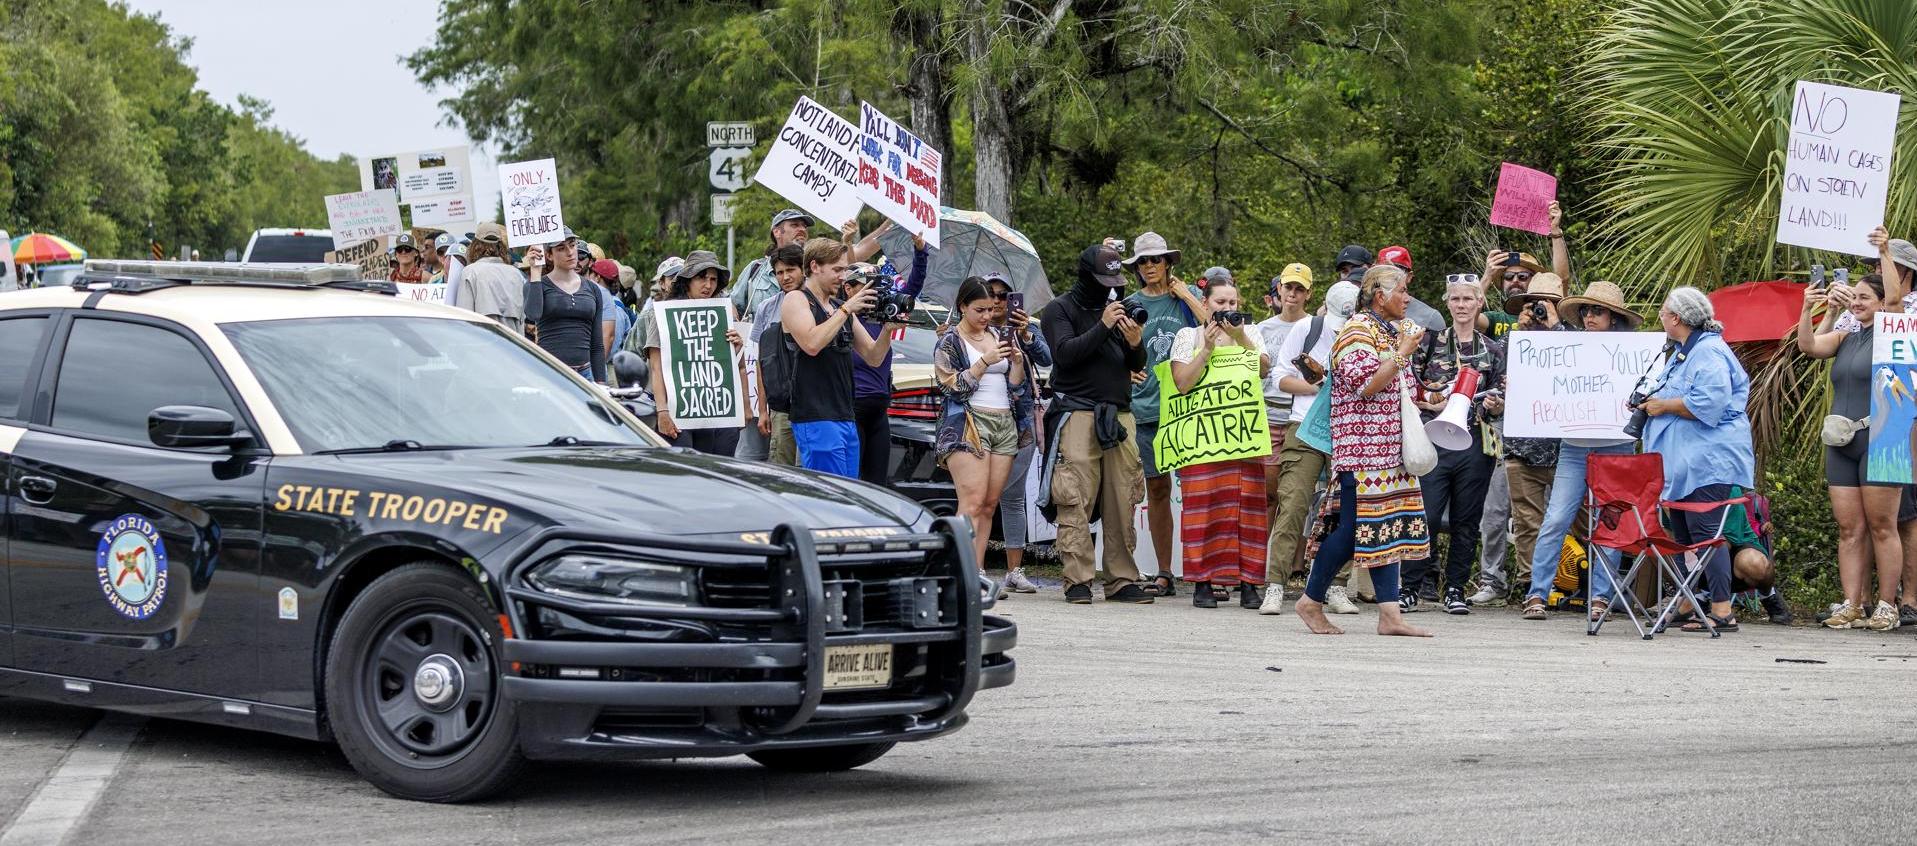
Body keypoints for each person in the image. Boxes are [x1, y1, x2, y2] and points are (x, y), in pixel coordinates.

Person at [1293, 264, 1432, 637]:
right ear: (1380, 296)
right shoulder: (1357, 331)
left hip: (1389, 452)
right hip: (1363, 452)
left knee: (1384, 529)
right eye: (1401, 291)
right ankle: (1311, 601)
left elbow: (1402, 387)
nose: (1407, 298)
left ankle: (1390, 615)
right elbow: (1366, 385)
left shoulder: (1386, 331)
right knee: (1354, 529)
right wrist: (1403, 352)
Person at [1037, 243, 1154, 605]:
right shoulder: (1059, 309)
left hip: (1119, 415)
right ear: (1086, 276)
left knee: (1123, 499)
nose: (1110, 288)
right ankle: (1078, 579)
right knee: (1075, 497)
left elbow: (1135, 364)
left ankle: (1121, 579)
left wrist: (1135, 343)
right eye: (1104, 281)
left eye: (1115, 282)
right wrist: (1103, 325)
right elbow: (1064, 355)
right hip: (1078, 412)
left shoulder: (1118, 309)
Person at [1520, 279, 1642, 621]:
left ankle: (1601, 596)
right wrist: (1523, 388)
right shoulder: (1568, 346)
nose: (1589, 316)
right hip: (1574, 446)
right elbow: (1542, 381)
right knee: (1556, 517)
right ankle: (1537, 592)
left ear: (1613, 318)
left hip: (1617, 447)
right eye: (1586, 310)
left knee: (1610, 522)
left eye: (1598, 311)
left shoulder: (1634, 354)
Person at [1639, 287, 1756, 633]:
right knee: (1684, 534)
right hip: (1683, 462)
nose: (1660, 317)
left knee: (1706, 533)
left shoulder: (1709, 352)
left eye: (1663, 312)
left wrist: (1663, 406)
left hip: (1708, 461)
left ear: (1676, 318)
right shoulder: (1683, 352)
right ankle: (1690, 599)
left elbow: (1710, 403)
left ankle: (1722, 610)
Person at [1797, 274, 1905, 630]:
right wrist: (1812, 308)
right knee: (1849, 529)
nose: (1856, 302)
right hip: (1842, 440)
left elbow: (1895, 301)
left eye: (1864, 297)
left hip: (1883, 439)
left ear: (1881, 303)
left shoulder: (1892, 336)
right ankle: (1852, 603)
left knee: (1883, 526)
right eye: (1853, 296)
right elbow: (1808, 346)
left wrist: (1884, 251)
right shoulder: (1846, 336)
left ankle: (1887, 605)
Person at [1261, 279, 1371, 615]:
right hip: (1305, 425)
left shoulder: (1367, 333)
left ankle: (1336, 586)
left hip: (1347, 427)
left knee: (1345, 509)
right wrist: (1317, 386)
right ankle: (1275, 584)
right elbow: (1280, 378)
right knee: (1292, 502)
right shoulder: (1308, 328)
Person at [1401, 274, 1504, 615]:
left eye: (1468, 299)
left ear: (1479, 303)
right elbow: (1410, 389)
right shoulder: (1429, 342)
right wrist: (1434, 402)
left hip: (1474, 441)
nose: (1462, 305)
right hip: (1434, 440)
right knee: (1426, 515)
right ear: (1447, 303)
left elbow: (1502, 400)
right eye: (1456, 299)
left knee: (1466, 520)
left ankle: (1456, 589)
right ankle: (1410, 587)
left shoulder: (1492, 349)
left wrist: (1494, 405)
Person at [1168, 280, 1271, 608]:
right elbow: (1182, 383)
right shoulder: (1187, 336)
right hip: (1202, 439)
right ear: (1205, 303)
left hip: (1243, 436)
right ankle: (1202, 582)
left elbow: (1264, 370)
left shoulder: (1250, 332)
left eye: (1232, 302)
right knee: (1203, 509)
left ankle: (1249, 582)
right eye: (1220, 302)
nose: (1227, 309)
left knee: (1248, 511)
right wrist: (1207, 350)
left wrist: (1240, 338)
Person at [1122, 231, 1204, 597]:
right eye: (1142, 261)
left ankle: (1202, 572)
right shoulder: (1130, 304)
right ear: (1136, 268)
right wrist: (1125, 370)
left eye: (1156, 259)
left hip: (1187, 406)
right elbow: (1117, 349)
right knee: (1157, 488)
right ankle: (1165, 571)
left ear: (1168, 262)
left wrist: (1186, 294)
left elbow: (1217, 328)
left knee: (1197, 490)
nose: (1149, 266)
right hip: (1145, 406)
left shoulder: (1187, 298)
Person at [933, 278, 1032, 566]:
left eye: (990, 309)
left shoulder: (998, 334)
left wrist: (1017, 363)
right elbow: (952, 387)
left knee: (989, 505)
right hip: (968, 423)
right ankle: (961, 571)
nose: (987, 315)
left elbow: (1015, 387)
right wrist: (984, 361)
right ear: (962, 306)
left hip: (1004, 422)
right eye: (980, 310)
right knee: (972, 503)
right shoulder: (949, 341)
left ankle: (977, 571)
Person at [1482, 271, 1565, 609]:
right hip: (1521, 446)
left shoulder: (1573, 337)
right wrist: (1496, 405)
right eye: (1533, 304)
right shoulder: (1511, 341)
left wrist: (1554, 325)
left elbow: (1580, 365)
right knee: (1527, 523)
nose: (1539, 310)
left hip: (1565, 450)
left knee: (1567, 521)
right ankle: (1533, 589)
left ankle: (1571, 584)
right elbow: (1494, 386)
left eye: (1546, 304)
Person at [781, 238, 891, 477]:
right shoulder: (797, 299)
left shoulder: (840, 306)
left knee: (848, 491)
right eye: (837, 270)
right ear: (815, 266)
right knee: (830, 492)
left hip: (846, 414)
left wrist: (888, 329)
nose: (843, 277)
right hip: (815, 415)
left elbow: (874, 357)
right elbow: (811, 344)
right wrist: (846, 310)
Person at [983, 273, 1052, 596]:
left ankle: (1014, 571)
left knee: (1012, 497)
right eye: (991, 294)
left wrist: (1025, 335)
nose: (997, 301)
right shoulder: (972, 330)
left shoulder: (1025, 328)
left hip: (1021, 422)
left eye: (1003, 295)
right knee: (982, 498)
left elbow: (1047, 358)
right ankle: (976, 569)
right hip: (982, 420)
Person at [640, 251, 742, 456]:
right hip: (677, 412)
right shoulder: (663, 313)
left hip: (714, 412)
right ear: (687, 280)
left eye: (713, 279)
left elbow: (728, 365)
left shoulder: (720, 314)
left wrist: (736, 346)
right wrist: (662, 411)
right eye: (701, 277)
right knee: (684, 468)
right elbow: (656, 367)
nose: (708, 285)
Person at [851, 235, 928, 483]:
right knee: (851, 481)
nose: (873, 290)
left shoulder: (883, 312)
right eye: (866, 285)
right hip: (852, 407)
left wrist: (920, 251)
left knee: (877, 483)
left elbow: (912, 289)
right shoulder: (842, 316)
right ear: (849, 289)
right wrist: (848, 241)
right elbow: (844, 271)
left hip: (880, 408)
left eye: (876, 285)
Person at [1257, 264, 1312, 568]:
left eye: (1299, 289)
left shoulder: (1315, 327)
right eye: (1288, 287)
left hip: (1300, 416)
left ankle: (1291, 565)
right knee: (1268, 494)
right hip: (1267, 415)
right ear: (1278, 290)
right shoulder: (1262, 329)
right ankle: (1259, 564)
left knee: (1295, 496)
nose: (1292, 294)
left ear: (1308, 293)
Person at [523, 230, 608, 383]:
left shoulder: (593, 289)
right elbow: (533, 314)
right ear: (549, 255)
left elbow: (597, 344)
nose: (569, 252)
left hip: (585, 374)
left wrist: (601, 383)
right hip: (550, 372)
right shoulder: (538, 285)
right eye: (561, 248)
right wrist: (535, 272)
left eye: (572, 245)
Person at [751, 245, 807, 466]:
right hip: (781, 407)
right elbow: (762, 363)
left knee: (810, 472)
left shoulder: (818, 303)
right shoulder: (766, 308)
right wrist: (762, 410)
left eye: (790, 270)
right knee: (782, 471)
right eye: (779, 272)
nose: (785, 277)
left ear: (804, 269)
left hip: (814, 406)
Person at [451, 222, 527, 334]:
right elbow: (521, 322)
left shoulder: (470, 272)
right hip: (512, 343)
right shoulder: (516, 274)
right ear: (501, 246)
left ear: (475, 245)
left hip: (482, 342)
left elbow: (465, 318)